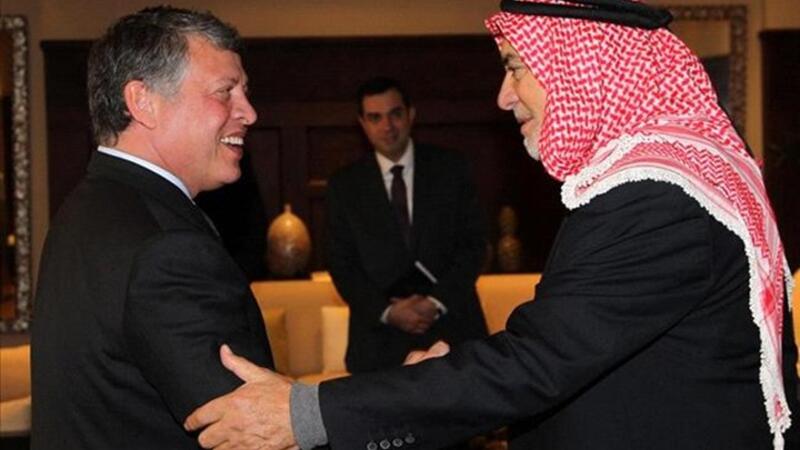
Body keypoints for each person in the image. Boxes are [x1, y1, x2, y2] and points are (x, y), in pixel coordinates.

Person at [184, 1, 799, 449]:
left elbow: (540, 362)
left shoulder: (654, 194)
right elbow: (577, 348)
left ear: (579, 67)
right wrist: (456, 373)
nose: (504, 97)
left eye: (515, 67)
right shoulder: (668, 178)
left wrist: (305, 413)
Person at [31, 7, 273, 449]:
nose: (249, 113)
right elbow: (255, 432)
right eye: (226, 91)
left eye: (246, 92)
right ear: (143, 101)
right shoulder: (166, 245)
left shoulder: (88, 207)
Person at [325, 76, 489, 373]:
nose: (387, 126)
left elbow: (474, 245)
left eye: (395, 114)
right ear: (362, 123)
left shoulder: (451, 169)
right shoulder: (344, 185)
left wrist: (435, 302)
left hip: (455, 333)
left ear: (411, 114)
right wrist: (389, 312)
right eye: (375, 117)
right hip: (378, 345)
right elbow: (341, 263)